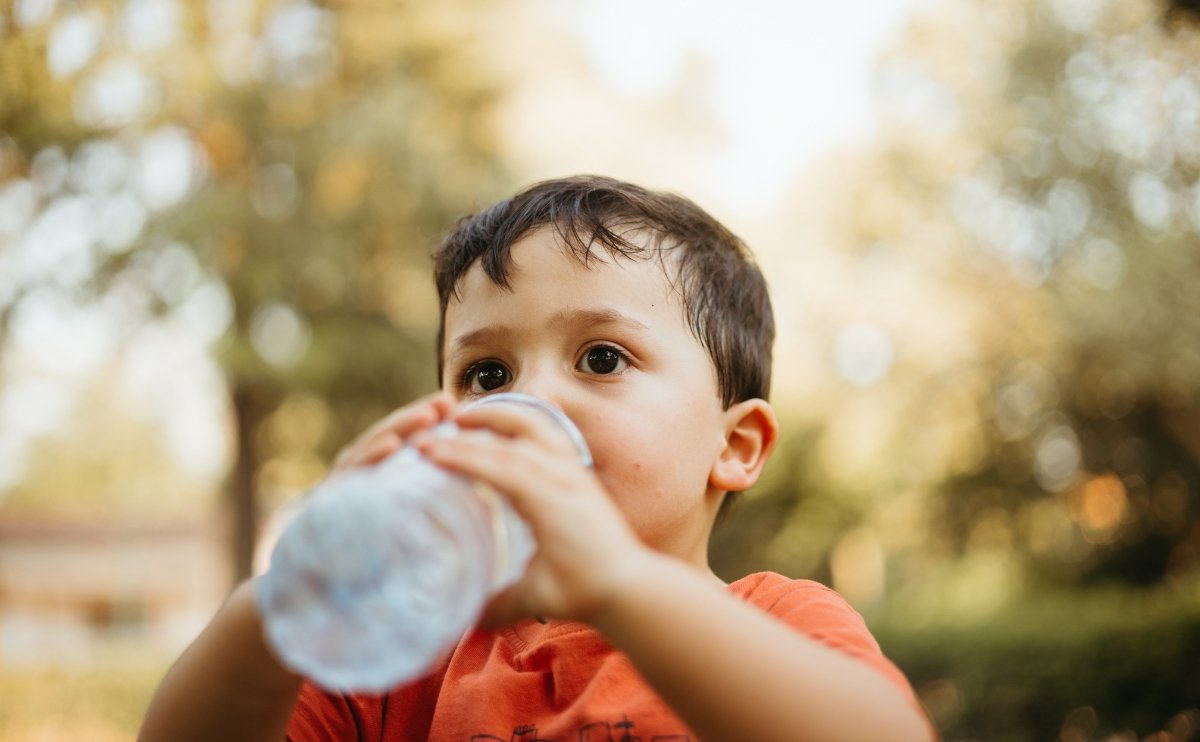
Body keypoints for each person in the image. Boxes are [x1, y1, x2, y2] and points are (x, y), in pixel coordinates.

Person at [139, 175, 936, 742]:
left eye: (600, 358)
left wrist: (620, 585)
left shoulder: (775, 626)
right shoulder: (410, 658)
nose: (531, 403)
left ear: (733, 446)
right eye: (487, 375)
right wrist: (287, 596)